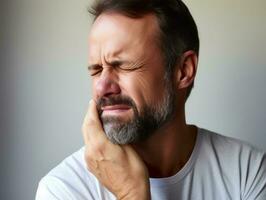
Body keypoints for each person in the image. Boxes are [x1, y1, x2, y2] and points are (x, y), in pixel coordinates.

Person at [36, 0, 266, 199]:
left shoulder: (247, 171)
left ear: (183, 71)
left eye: (123, 65)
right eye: (96, 70)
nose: (102, 87)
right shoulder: (63, 189)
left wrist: (131, 193)